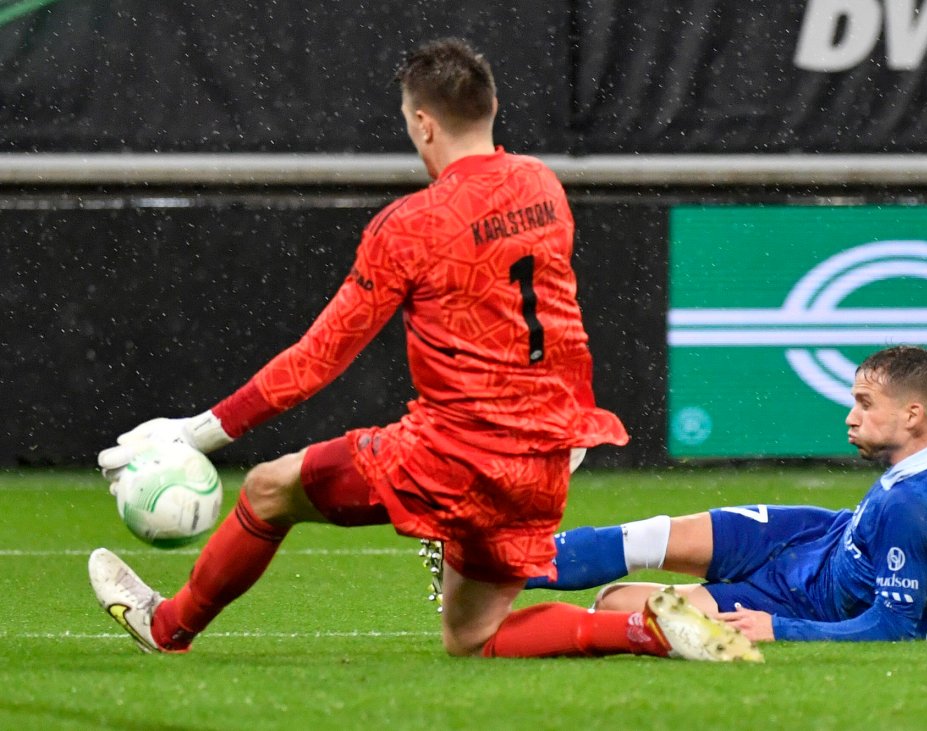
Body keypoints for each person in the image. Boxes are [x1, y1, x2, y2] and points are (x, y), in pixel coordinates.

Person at [88, 38, 761, 663]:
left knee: (268, 489)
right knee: (473, 635)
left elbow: (316, 359)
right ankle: (644, 627)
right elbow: (563, 322)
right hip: (541, 459)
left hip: (450, 456)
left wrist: (195, 432)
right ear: (492, 107)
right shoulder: (541, 188)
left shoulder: (409, 226)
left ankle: (168, 626)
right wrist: (572, 419)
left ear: (421, 124)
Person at [527, 345, 927, 642]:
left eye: (865, 404)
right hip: (822, 535)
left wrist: (778, 628)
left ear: (912, 415)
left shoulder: (911, 507)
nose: (851, 417)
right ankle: (492, 559)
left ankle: (485, 587)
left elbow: (893, 626)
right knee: (649, 536)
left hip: (809, 602)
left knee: (612, 604)